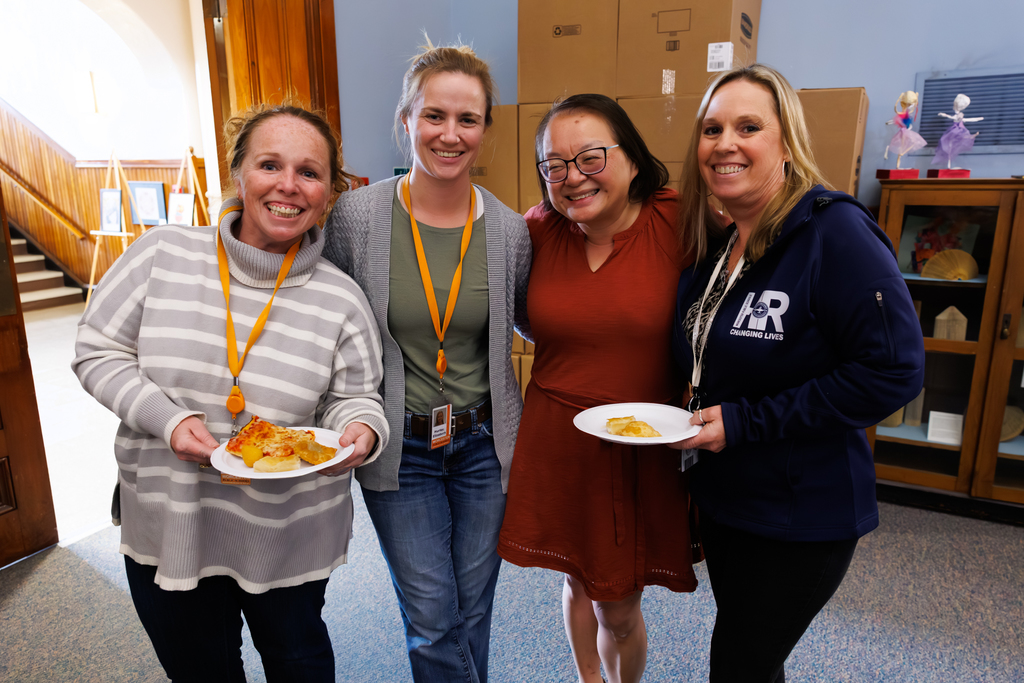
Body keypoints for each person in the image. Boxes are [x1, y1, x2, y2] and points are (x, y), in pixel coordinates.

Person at [73, 103, 388, 682]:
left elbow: (356, 396)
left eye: (310, 172)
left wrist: (360, 428)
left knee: (299, 662)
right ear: (237, 175)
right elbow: (97, 349)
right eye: (270, 164)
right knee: (201, 670)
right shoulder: (161, 255)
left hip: (287, 530)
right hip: (174, 521)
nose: (288, 186)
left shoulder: (341, 298)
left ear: (331, 192)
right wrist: (164, 418)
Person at [672, 64, 926, 682]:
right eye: (711, 129)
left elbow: (893, 370)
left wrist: (745, 422)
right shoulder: (723, 244)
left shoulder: (835, 232)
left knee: (739, 663)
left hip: (802, 513)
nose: (725, 143)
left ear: (787, 143)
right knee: (751, 658)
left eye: (748, 126)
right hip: (730, 500)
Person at [322, 40, 530, 683]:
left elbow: (533, 320)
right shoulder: (356, 217)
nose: (450, 133)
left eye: (468, 119)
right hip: (398, 450)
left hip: (481, 446)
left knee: (472, 612)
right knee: (433, 617)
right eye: (433, 115)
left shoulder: (509, 230)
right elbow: (323, 321)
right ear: (406, 119)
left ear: (486, 129)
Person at [498, 94, 698, 683]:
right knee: (575, 574)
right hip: (557, 433)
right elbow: (520, 314)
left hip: (640, 441)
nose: (572, 178)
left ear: (632, 159)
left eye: (590, 157)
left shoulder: (680, 220)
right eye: (554, 166)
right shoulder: (536, 231)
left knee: (619, 601)